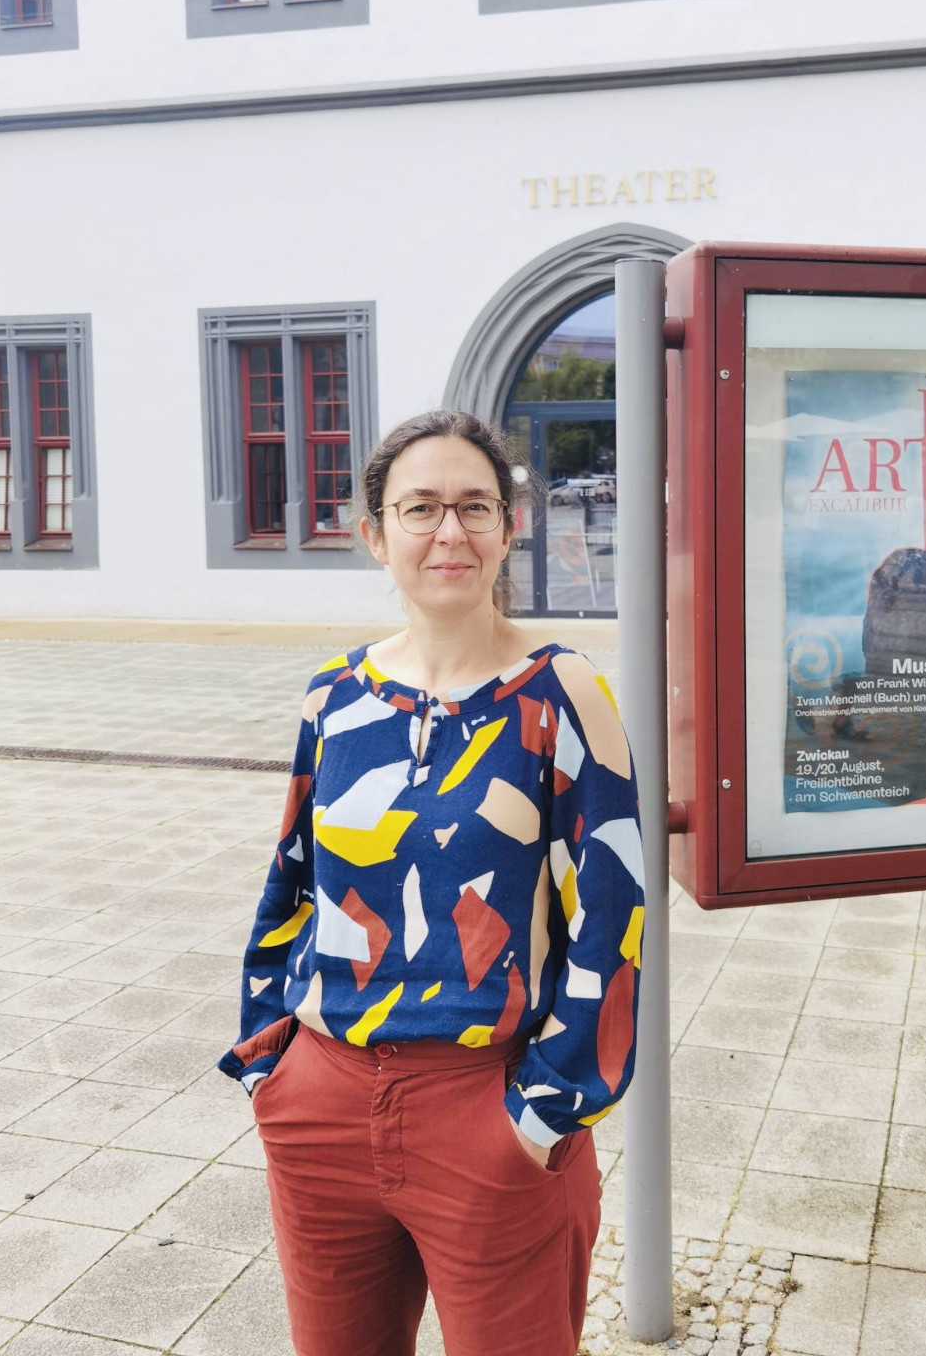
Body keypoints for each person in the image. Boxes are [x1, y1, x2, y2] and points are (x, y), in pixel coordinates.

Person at [217, 410, 644, 1356]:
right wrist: (266, 1062)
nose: (449, 532)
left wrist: (540, 1117)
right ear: (375, 534)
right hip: (319, 1102)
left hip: (487, 1112)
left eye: (474, 506)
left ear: (509, 527)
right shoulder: (333, 695)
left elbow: (612, 921)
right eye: (420, 508)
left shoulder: (562, 694)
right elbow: (292, 880)